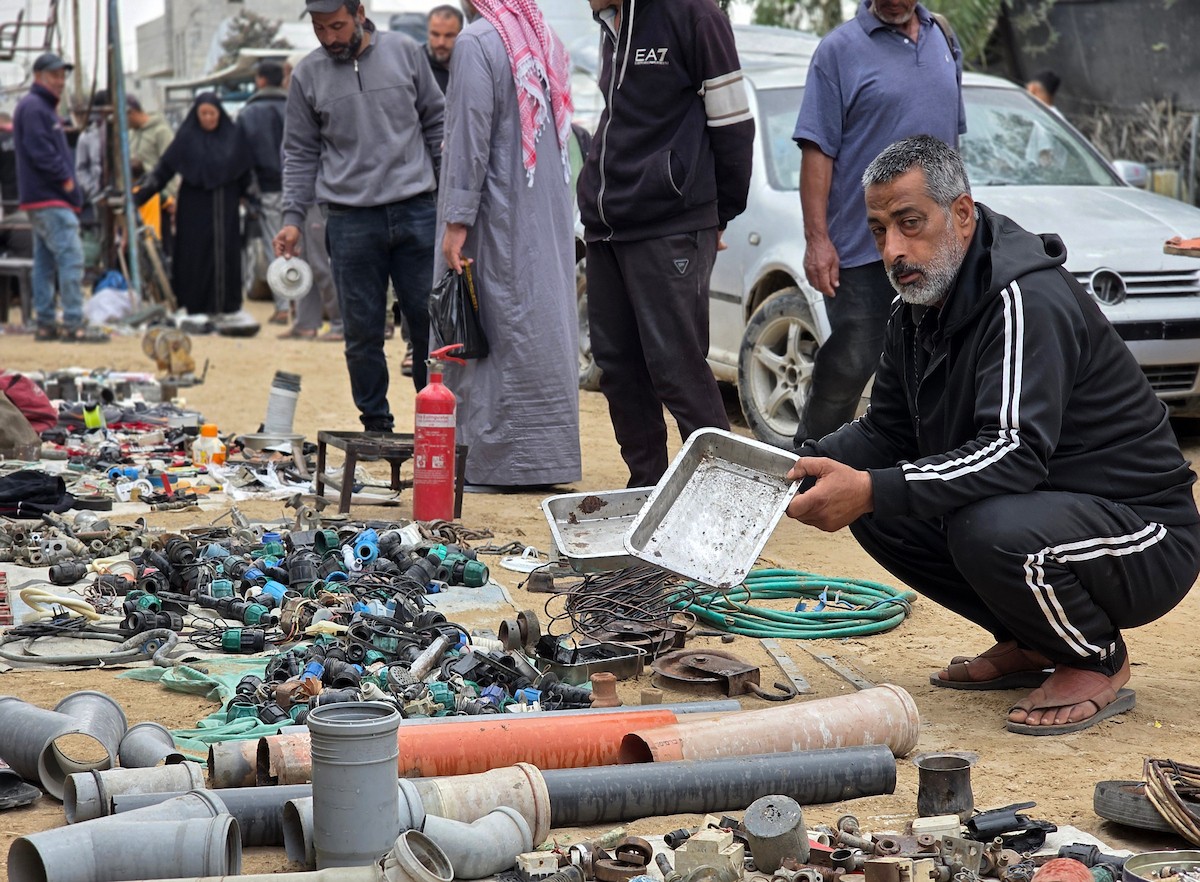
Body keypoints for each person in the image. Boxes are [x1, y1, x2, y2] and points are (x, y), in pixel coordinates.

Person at [785, 136, 1200, 735]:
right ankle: (1033, 640)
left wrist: (873, 487)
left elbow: (1014, 454)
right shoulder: (917, 307)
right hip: (1050, 516)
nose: (894, 250)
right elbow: (887, 431)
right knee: (882, 508)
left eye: (909, 223)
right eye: (879, 231)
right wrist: (792, 467)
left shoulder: (1021, 298)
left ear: (960, 214)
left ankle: (1094, 658)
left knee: (981, 526)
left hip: (1146, 535)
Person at [578, 0, 754, 488]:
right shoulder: (610, 22)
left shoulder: (695, 16)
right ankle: (646, 488)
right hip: (607, 225)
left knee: (676, 365)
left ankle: (723, 495)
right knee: (617, 367)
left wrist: (719, 213)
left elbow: (734, 124)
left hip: (669, 222)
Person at [791, 0, 965, 448]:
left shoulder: (943, 38)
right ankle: (812, 458)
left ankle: (922, 469)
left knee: (937, 362)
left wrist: (961, 226)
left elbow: (951, 145)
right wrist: (817, 240)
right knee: (851, 360)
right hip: (863, 246)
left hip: (935, 244)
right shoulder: (838, 51)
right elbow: (817, 152)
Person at [276, 0, 444, 432]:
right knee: (361, 334)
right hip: (349, 220)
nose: (329, 37)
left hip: (418, 210)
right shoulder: (307, 75)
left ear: (360, 13)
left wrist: (451, 203)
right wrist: (292, 217)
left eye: (337, 25)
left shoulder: (407, 52)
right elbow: (299, 151)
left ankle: (435, 426)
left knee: (429, 328)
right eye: (319, 28)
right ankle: (376, 427)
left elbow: (437, 124)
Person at [436, 0, 581, 489]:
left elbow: (468, 138)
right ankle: (546, 459)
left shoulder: (478, 41)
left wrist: (457, 220)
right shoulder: (544, 41)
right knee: (536, 327)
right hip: (544, 219)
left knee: (495, 333)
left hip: (496, 216)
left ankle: (495, 464)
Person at [135, 93, 255, 320]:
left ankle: (226, 306)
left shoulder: (233, 137)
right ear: (196, 115)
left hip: (224, 207)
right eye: (204, 114)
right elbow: (164, 170)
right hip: (194, 208)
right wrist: (140, 195)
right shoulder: (186, 139)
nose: (208, 118)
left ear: (220, 114)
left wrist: (252, 199)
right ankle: (195, 305)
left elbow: (244, 173)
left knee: (224, 254)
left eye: (212, 113)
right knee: (194, 255)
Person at [14, 53, 105, 342]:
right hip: (50, 197)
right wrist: (66, 181)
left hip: (41, 198)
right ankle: (74, 322)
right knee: (71, 257)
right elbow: (41, 151)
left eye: (63, 76)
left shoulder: (40, 108)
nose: (60, 82)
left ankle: (46, 322)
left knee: (45, 261)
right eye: (54, 76)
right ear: (39, 76)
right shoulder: (35, 108)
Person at [236, 60, 291, 325]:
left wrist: (247, 191)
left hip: (267, 189)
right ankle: (308, 311)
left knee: (276, 247)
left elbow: (241, 157)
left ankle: (282, 308)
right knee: (307, 249)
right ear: (282, 79)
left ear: (259, 80)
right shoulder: (296, 105)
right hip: (305, 187)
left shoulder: (248, 113)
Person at [426, 5, 464, 93]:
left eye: (449, 35)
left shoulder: (472, 65)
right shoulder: (415, 67)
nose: (441, 43)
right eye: (435, 34)